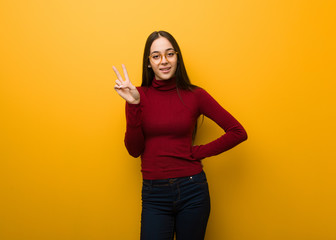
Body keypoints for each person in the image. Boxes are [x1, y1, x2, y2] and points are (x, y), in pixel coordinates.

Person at [113, 30, 247, 240]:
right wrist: (133, 105)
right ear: (149, 62)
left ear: (177, 57)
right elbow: (133, 150)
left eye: (170, 54)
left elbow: (238, 132)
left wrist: (197, 152)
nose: (164, 61)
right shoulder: (137, 95)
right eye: (156, 56)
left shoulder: (195, 95)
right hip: (154, 193)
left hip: (192, 189)